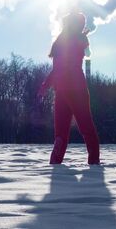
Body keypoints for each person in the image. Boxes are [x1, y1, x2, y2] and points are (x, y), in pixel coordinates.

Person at [38, 12, 100, 165]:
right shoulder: (80, 39)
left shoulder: (60, 41)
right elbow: (83, 46)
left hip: (61, 91)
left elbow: (57, 69)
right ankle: (94, 162)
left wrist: (45, 86)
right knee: (87, 127)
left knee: (60, 133)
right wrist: (82, 35)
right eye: (82, 23)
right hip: (77, 89)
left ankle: (55, 163)